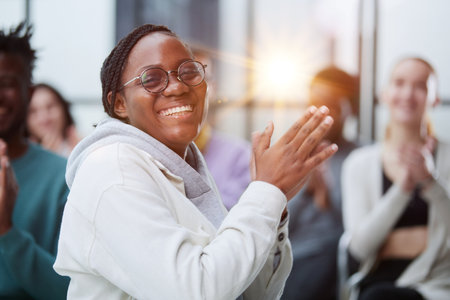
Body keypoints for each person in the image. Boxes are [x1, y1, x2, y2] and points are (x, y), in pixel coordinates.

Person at [53, 24, 338, 299]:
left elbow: (253, 292)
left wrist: (274, 203)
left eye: (188, 72)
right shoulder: (113, 168)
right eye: (152, 78)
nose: (177, 87)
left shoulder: (184, 166)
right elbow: (193, 292)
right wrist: (265, 190)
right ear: (119, 104)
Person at [342, 57, 450, 300]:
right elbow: (359, 248)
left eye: (420, 86)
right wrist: (403, 188)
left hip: (435, 285)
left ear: (434, 98)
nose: (408, 94)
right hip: (377, 284)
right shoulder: (359, 164)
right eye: (399, 83)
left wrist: (431, 183)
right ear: (384, 94)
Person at [0, 22, 69, 298]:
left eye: (6, 84)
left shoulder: (60, 177)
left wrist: (6, 230)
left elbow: (69, 290)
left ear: (29, 90)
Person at [282, 66, 359, 300]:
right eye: (315, 102)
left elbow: (356, 229)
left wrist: (325, 192)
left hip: (330, 259)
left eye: (332, 103)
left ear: (351, 109)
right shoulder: (289, 156)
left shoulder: (361, 158)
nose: (322, 112)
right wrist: (307, 190)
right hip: (288, 256)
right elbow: (276, 224)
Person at [193, 47, 252, 210]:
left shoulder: (240, 156)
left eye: (198, 78)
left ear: (214, 87)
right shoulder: (144, 156)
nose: (186, 89)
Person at [26, 83, 80, 157]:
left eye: (50, 106)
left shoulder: (85, 148)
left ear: (63, 108)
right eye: (33, 111)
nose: (44, 117)